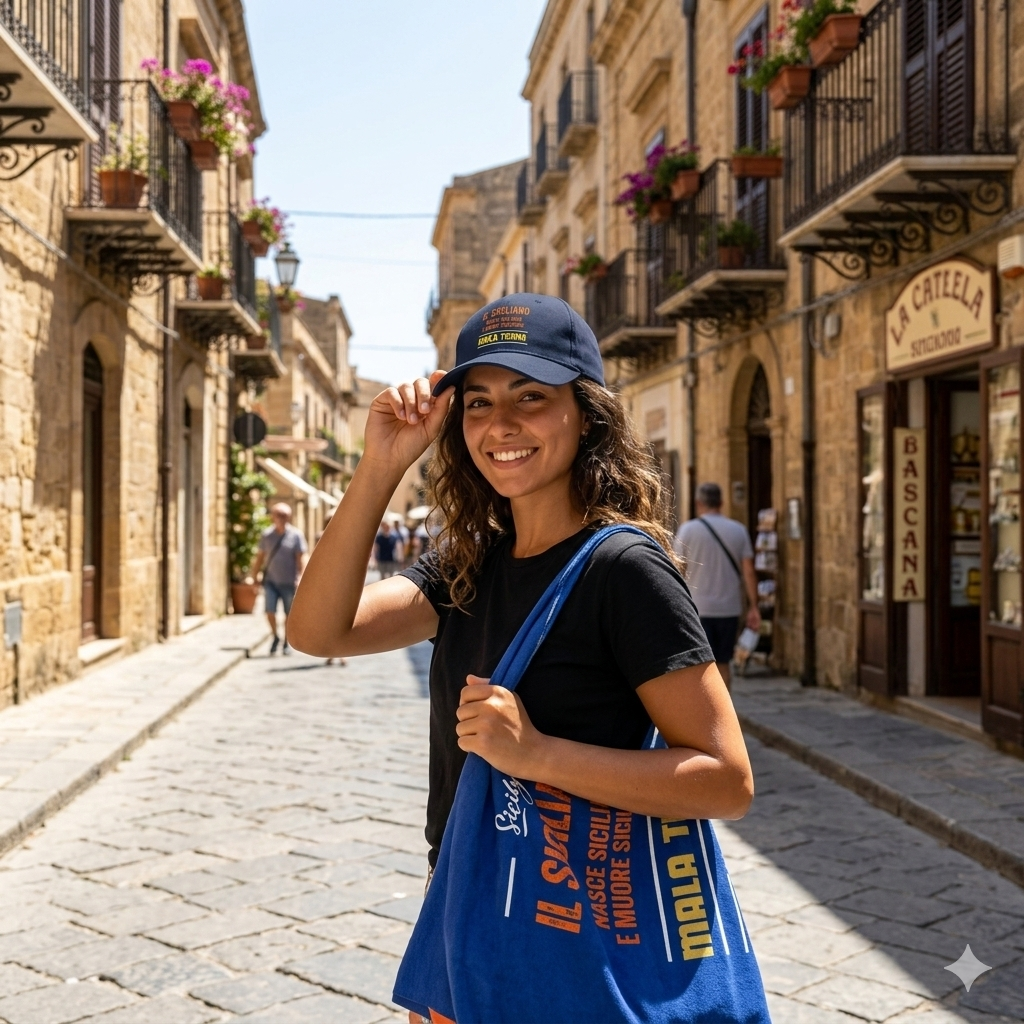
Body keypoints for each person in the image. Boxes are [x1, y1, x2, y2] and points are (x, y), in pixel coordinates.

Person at [286, 294, 755, 1023]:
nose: (500, 425)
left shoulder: (625, 570)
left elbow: (726, 781)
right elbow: (320, 632)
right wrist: (381, 469)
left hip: (571, 933)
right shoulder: (469, 560)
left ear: (586, 415)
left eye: (530, 397)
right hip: (466, 910)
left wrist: (534, 753)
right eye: (478, 403)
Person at [673, 482, 761, 689]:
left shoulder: (687, 531)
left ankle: (702, 716)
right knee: (723, 664)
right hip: (728, 609)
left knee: (699, 667)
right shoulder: (738, 530)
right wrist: (754, 606)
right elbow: (748, 571)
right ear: (722, 503)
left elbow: (676, 568)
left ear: (698, 503)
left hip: (697, 610)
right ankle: (725, 716)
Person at [251, 502, 308, 655]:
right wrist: (255, 576)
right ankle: (276, 636)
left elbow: (301, 558)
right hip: (271, 581)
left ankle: (286, 641)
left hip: (289, 581)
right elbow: (260, 557)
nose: (281, 518)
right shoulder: (267, 535)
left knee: (288, 614)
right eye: (278, 515)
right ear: (272, 517)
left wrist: (300, 577)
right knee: (270, 611)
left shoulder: (296, 535)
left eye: (284, 515)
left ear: (289, 517)